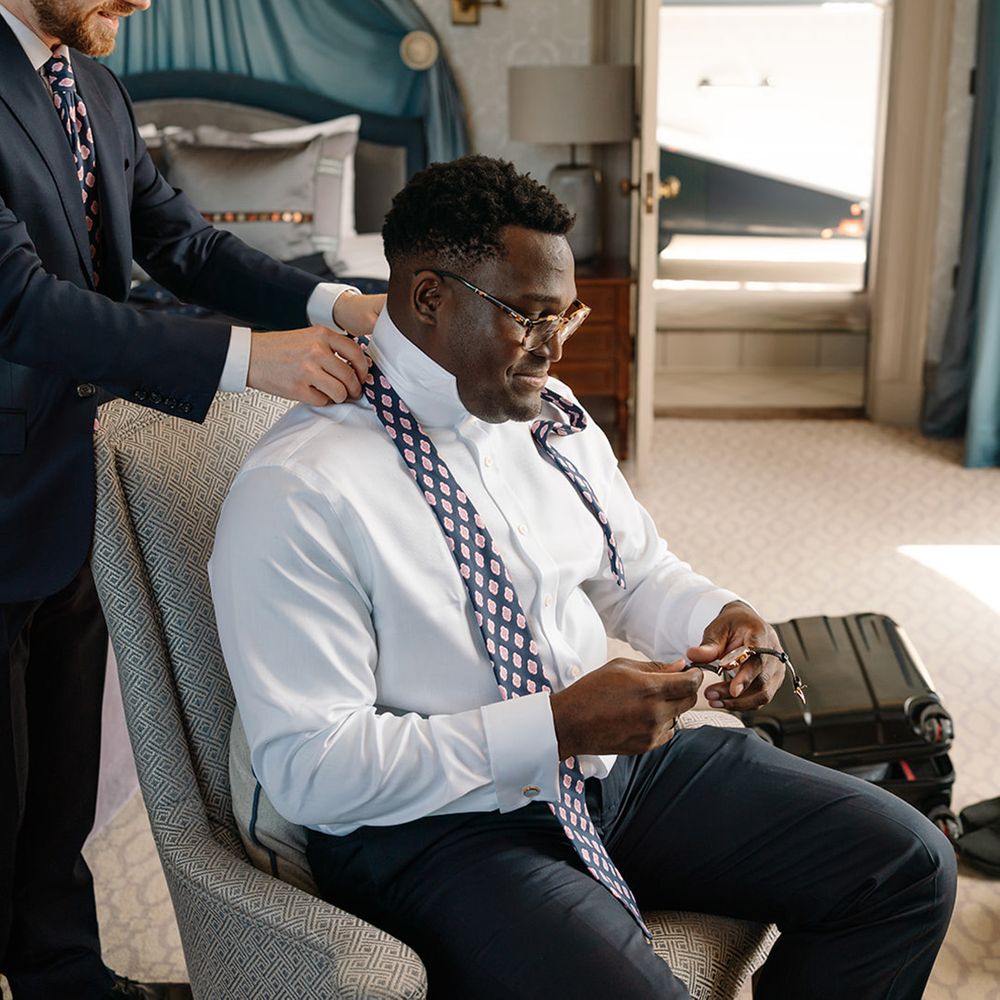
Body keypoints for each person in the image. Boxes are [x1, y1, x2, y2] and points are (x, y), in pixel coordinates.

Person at [209, 155, 957, 1000]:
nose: (554, 348)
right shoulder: (301, 490)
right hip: (431, 830)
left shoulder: (550, 420)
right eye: (528, 316)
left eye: (566, 316)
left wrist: (723, 616)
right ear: (427, 298)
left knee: (908, 866)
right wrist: (554, 725)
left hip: (612, 767)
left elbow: (633, 572)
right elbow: (314, 769)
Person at [0, 1, 384, 997]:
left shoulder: (91, 86)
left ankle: (63, 979)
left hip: (59, 487)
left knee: (56, 792)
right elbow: (24, 304)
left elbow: (184, 246)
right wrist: (250, 360)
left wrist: (336, 302)